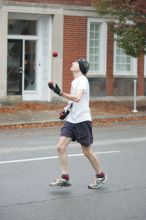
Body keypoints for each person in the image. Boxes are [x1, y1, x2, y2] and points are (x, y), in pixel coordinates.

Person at [48, 58, 107, 189]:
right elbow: (73, 101)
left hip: (82, 120)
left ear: (80, 67)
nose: (72, 63)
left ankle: (100, 175)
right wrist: (65, 111)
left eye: (75, 62)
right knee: (60, 147)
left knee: (86, 151)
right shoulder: (75, 81)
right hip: (72, 120)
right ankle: (65, 178)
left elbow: (78, 98)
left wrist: (60, 93)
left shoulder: (83, 80)